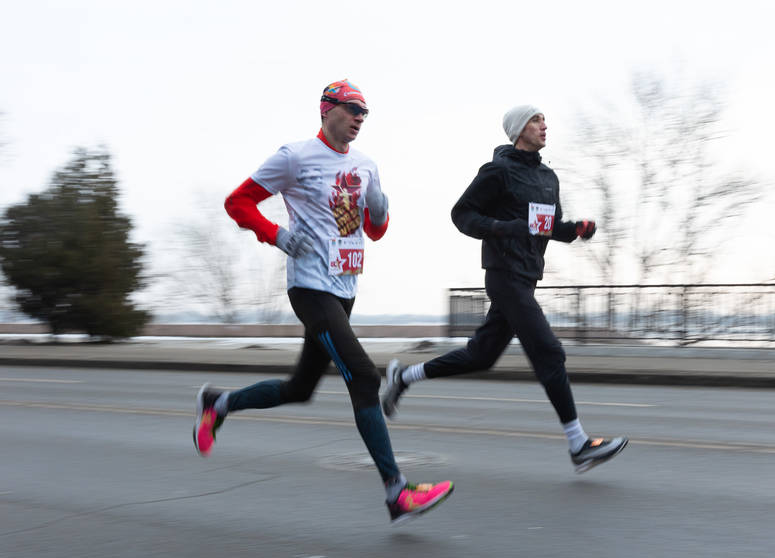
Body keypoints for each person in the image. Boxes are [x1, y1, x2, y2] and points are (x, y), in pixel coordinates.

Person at [192, 79, 453, 524]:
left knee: (300, 389)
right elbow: (238, 202)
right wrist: (277, 235)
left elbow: (373, 231)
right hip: (311, 289)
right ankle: (396, 492)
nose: (359, 119)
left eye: (364, 113)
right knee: (366, 378)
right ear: (326, 109)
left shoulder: (367, 164)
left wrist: (380, 209)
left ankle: (218, 403)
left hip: (345, 289)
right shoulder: (294, 157)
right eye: (352, 109)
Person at [381, 105, 628, 473]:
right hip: (503, 274)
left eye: (544, 119)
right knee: (549, 352)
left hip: (527, 276)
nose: (544, 125)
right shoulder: (497, 171)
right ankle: (578, 444)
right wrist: (502, 227)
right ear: (518, 130)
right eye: (535, 120)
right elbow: (461, 215)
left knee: (481, 356)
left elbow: (548, 226)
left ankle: (403, 376)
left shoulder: (548, 177)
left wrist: (576, 230)